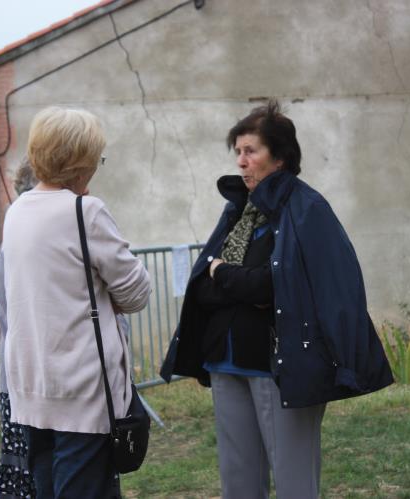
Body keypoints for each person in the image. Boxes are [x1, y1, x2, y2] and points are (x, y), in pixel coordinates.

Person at [161, 100, 394, 498]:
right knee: (239, 483)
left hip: (279, 366)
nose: (241, 162)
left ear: (281, 157)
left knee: (294, 482)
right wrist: (231, 279)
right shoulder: (237, 212)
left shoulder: (306, 210)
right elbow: (202, 286)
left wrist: (225, 273)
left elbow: (270, 287)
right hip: (226, 360)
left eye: (250, 151)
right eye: (237, 152)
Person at [2, 106, 151, 498]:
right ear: (81, 163)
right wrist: (106, 295)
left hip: (33, 382)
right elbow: (136, 293)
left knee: (47, 485)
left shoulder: (17, 212)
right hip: (81, 384)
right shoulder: (85, 211)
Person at [0, 159, 39, 497]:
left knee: (24, 473)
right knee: (33, 471)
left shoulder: (15, 230)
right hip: (31, 377)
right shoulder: (26, 234)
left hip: (20, 376)